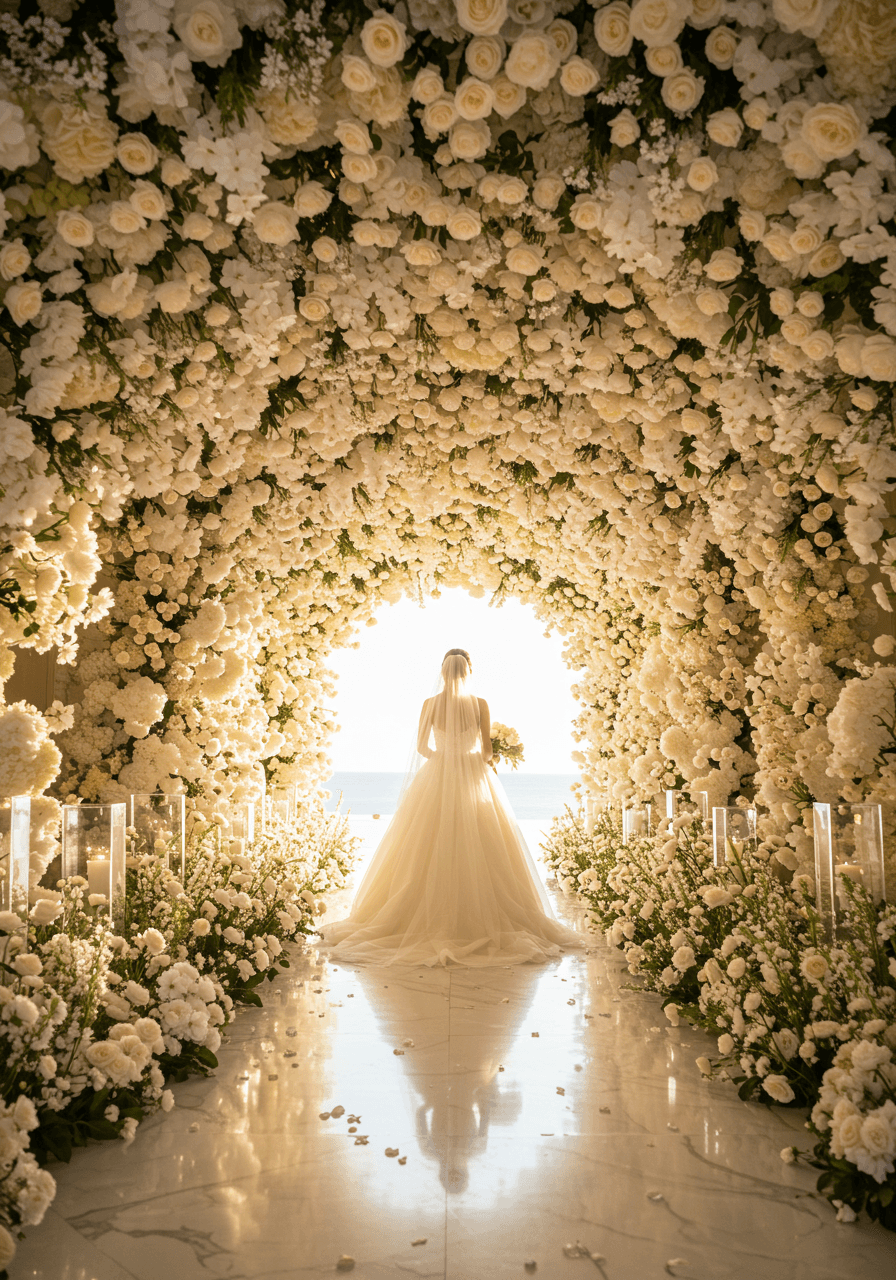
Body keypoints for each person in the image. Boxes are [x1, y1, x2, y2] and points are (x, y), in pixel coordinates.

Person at [317, 648, 583, 966]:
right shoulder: (479, 704)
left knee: (422, 845)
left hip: (436, 775)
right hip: (473, 775)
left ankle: (415, 916)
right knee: (482, 843)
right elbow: (485, 750)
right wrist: (488, 758)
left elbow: (420, 747)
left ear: (442, 673)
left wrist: (444, 761)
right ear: (468, 671)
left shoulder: (430, 704)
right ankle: (473, 917)